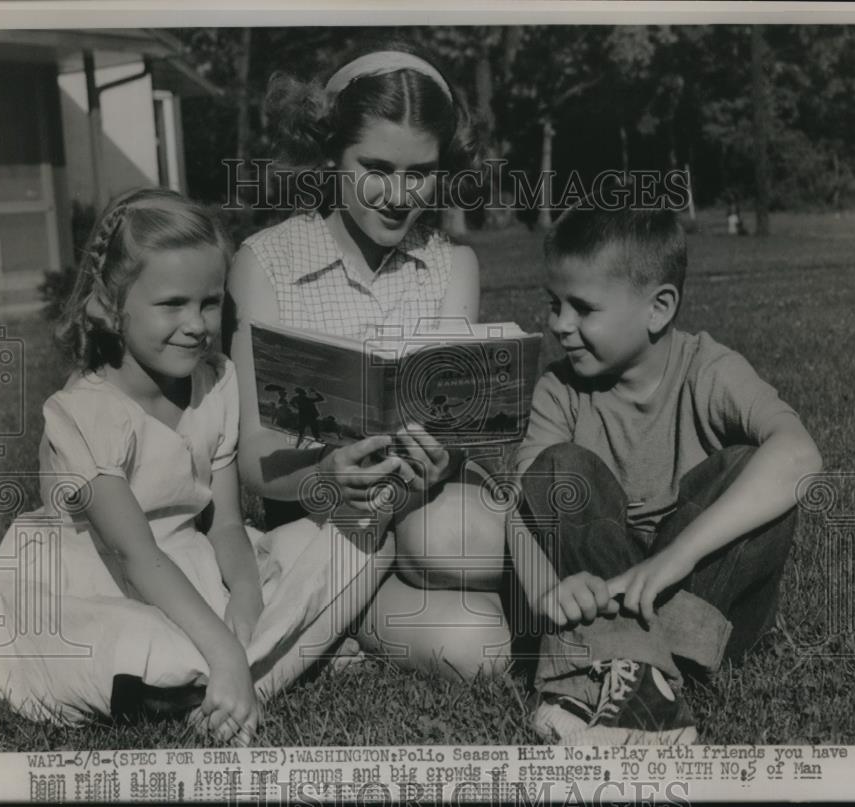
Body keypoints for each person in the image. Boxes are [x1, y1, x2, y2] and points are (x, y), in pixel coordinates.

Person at [0, 189, 392, 743]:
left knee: (367, 536)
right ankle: (245, 669)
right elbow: (136, 556)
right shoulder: (84, 412)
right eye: (172, 304)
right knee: (148, 648)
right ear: (108, 308)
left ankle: (221, 683)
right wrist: (224, 644)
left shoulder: (214, 384)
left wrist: (245, 594)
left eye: (210, 302)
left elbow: (222, 524)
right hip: (97, 586)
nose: (196, 324)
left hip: (190, 568)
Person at [227, 43, 510, 679]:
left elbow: (454, 420)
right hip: (319, 527)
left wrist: (446, 452)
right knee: (482, 647)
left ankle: (338, 630)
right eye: (374, 167)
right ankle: (347, 616)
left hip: (422, 511)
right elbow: (252, 462)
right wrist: (327, 468)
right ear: (331, 156)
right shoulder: (264, 262)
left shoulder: (450, 264)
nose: (398, 195)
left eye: (421, 173)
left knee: (458, 542)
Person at [509, 203, 822, 745]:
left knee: (749, 465)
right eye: (554, 304)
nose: (560, 325)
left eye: (582, 308)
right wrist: (545, 594)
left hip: (707, 603)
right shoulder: (558, 390)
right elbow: (518, 506)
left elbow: (799, 454)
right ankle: (646, 686)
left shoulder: (708, 368)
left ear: (658, 309)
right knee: (557, 469)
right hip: (611, 595)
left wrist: (676, 558)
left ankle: (600, 670)